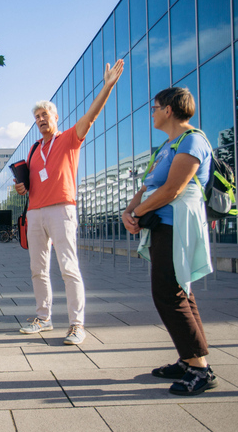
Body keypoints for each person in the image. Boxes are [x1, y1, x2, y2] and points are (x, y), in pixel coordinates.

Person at [15, 59, 124, 345]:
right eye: (37, 116)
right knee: (38, 269)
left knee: (68, 268)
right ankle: (44, 317)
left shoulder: (69, 139)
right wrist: (21, 187)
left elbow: (92, 114)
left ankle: (77, 325)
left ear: (55, 117)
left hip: (62, 210)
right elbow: (33, 182)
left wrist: (107, 87)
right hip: (36, 213)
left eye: (44, 114)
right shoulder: (34, 148)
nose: (40, 119)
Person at [122, 87, 217, 396]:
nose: (152, 112)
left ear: (169, 110)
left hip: (178, 226)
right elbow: (149, 185)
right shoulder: (166, 146)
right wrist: (129, 212)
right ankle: (190, 360)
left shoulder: (193, 140)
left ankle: (199, 369)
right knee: (178, 292)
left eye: (155, 107)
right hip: (161, 225)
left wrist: (138, 212)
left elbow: (173, 189)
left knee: (169, 292)